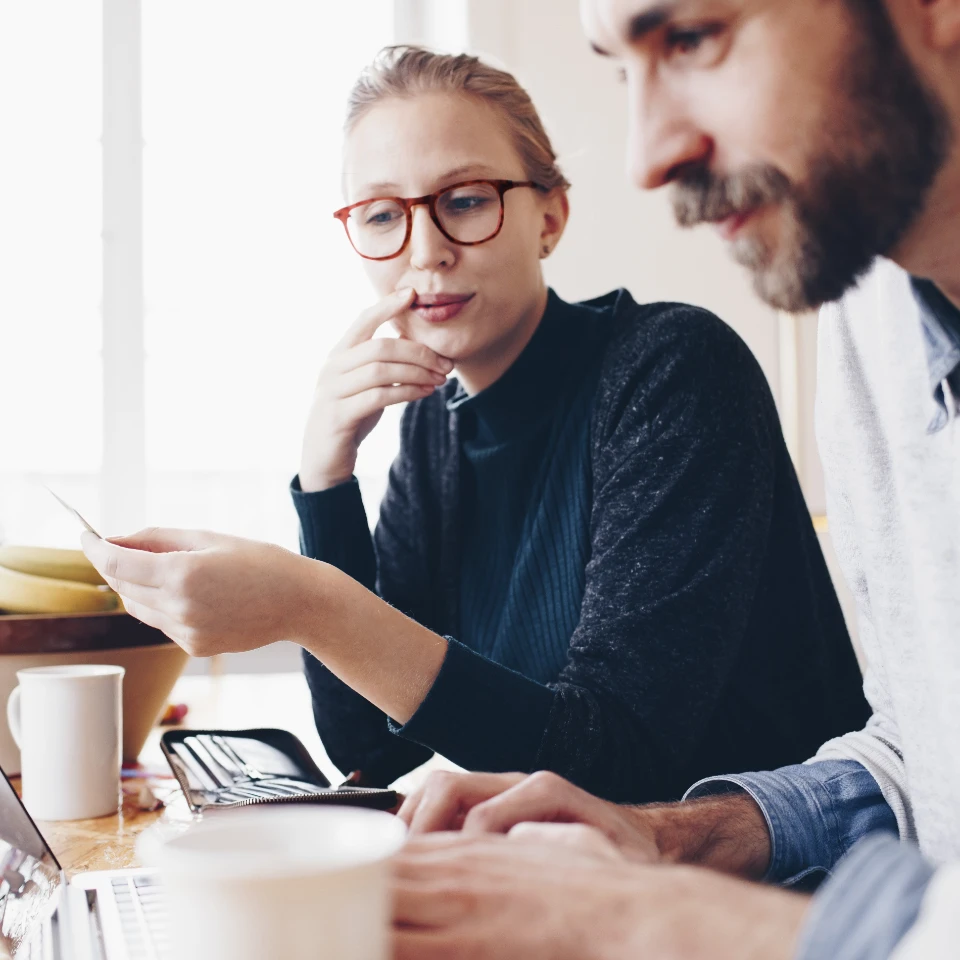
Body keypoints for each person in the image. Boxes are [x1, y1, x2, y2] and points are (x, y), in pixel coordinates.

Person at [80, 45, 865, 805]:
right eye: (384, 214)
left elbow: (613, 766)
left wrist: (307, 601)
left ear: (550, 217)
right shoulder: (438, 429)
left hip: (772, 906)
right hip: (568, 897)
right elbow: (372, 748)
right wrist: (326, 481)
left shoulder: (674, 370)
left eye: (463, 201)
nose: (426, 251)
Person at [387, 0, 960, 958]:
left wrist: (694, 923)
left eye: (692, 38)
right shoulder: (870, 321)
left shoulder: (668, 367)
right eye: (622, 69)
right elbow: (920, 761)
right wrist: (669, 837)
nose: (644, 156)